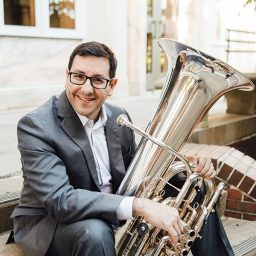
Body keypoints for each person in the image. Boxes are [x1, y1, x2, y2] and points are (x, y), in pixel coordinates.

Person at [10, 41, 234, 256]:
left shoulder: (118, 117)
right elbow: (60, 200)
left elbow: (139, 173)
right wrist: (140, 206)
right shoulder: (36, 126)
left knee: (197, 189)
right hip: (51, 224)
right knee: (95, 232)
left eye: (98, 80)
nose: (86, 88)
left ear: (112, 86)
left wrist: (187, 168)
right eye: (78, 76)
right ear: (67, 76)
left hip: (110, 208)